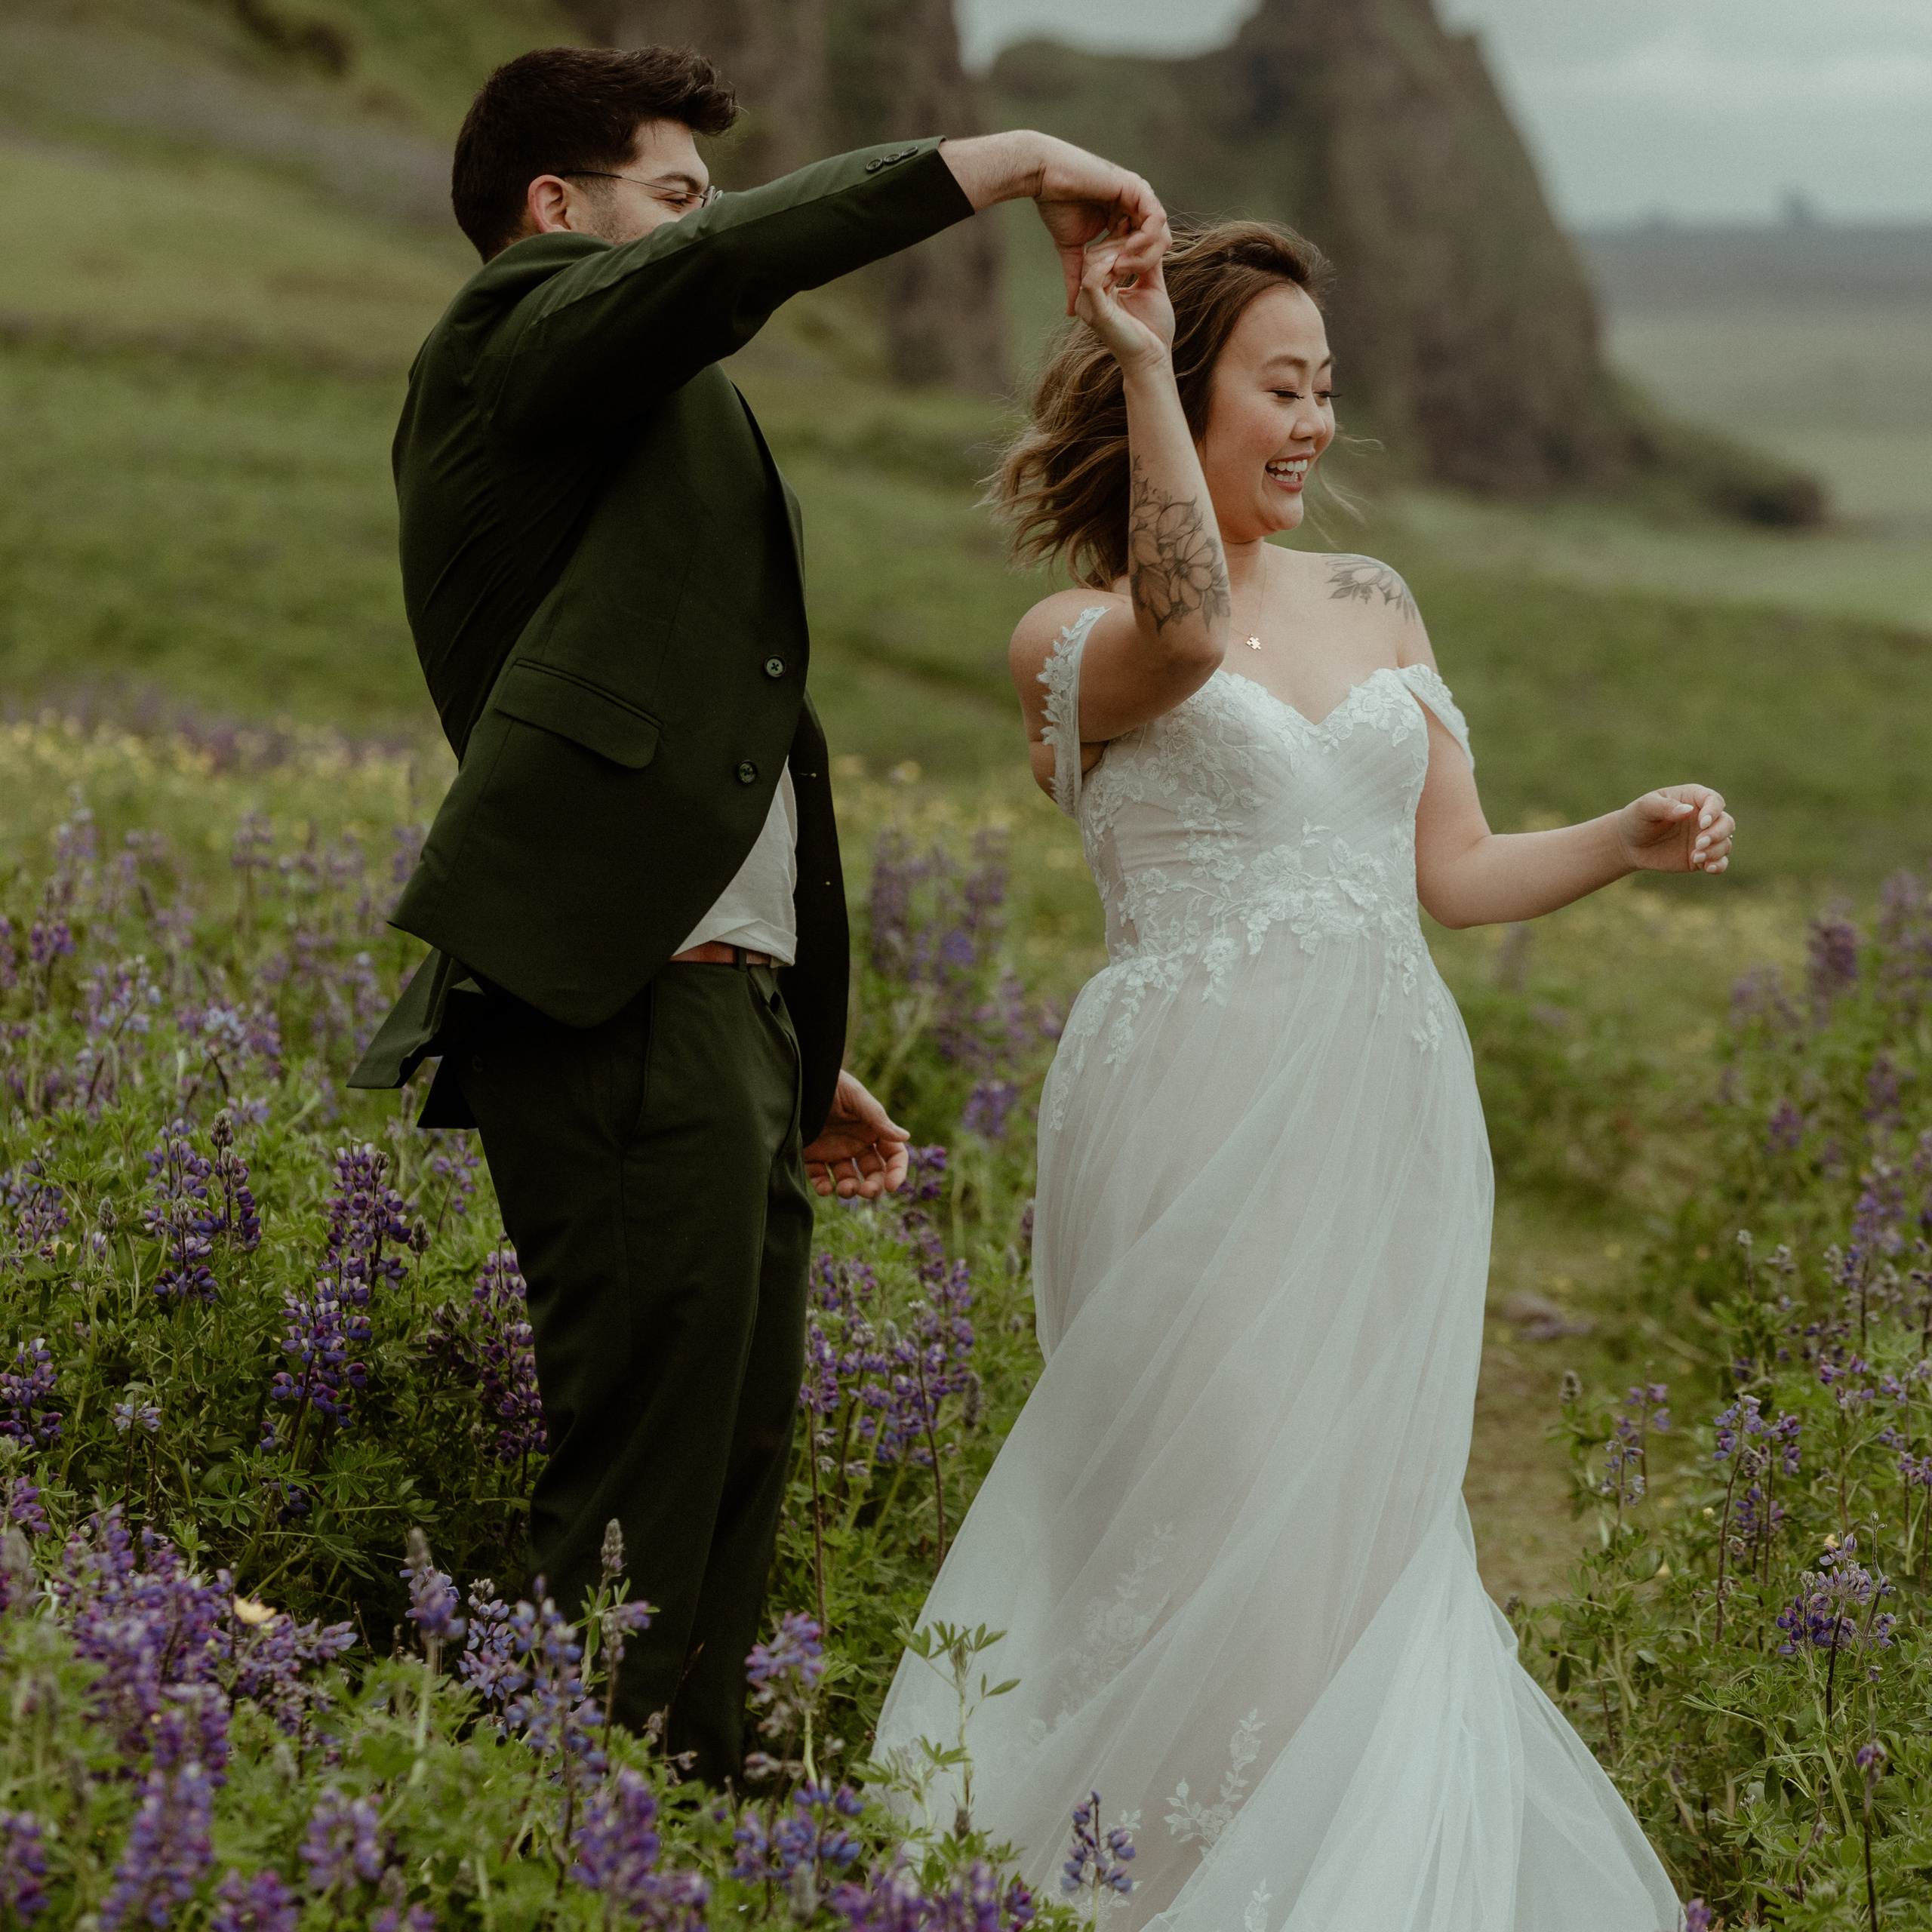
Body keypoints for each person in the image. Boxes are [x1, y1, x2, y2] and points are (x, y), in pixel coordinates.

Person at [873, 220, 1726, 1927]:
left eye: (1326, 386)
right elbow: (1184, 641)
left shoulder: (1371, 600)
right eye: (1280, 383)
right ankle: (1163, 1865)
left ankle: (1335, 1863)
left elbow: (1455, 870)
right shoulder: (1072, 630)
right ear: (1184, 390)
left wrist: (1621, 837)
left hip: (1386, 1097)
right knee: (1211, 1476)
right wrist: (1128, 351)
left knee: (1360, 1500)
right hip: (1190, 1092)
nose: (1317, 421)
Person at [347, 42, 1170, 1788]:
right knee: (642, 1481)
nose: (696, 229)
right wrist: (997, 159)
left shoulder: (615, 408)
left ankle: (685, 1837)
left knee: (724, 1472)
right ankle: (557, 1838)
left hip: (714, 999)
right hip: (617, 1003)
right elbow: (723, 273)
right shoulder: (509, 340)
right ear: (551, 212)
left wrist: (794, 1023)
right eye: (667, 194)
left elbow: (728, 725)